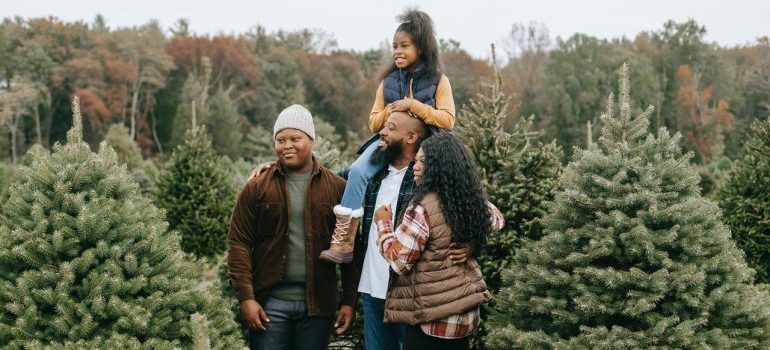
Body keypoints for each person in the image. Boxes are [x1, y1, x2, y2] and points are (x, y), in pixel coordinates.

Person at [319, 8, 457, 264]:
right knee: (359, 171)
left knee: (452, 180)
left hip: (429, 146)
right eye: (394, 46)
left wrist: (414, 106)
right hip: (389, 143)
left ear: (422, 48)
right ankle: (344, 240)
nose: (397, 51)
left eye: (404, 46)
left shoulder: (439, 81)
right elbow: (373, 122)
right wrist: (392, 112)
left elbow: (448, 120)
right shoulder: (388, 82)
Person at [227, 104, 359, 350]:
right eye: (280, 139)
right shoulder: (257, 187)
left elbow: (351, 249)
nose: (287, 145)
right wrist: (246, 298)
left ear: (312, 141)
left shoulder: (338, 188)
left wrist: (349, 301)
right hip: (270, 305)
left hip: (318, 307)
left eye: (295, 138)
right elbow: (239, 242)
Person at [373, 133, 504, 350]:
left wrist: (384, 225)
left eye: (424, 161)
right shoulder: (466, 198)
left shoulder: (421, 208)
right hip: (463, 318)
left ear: (440, 166)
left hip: (432, 318)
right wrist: (472, 240)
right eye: (416, 160)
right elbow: (497, 219)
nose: (415, 166)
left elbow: (400, 261)